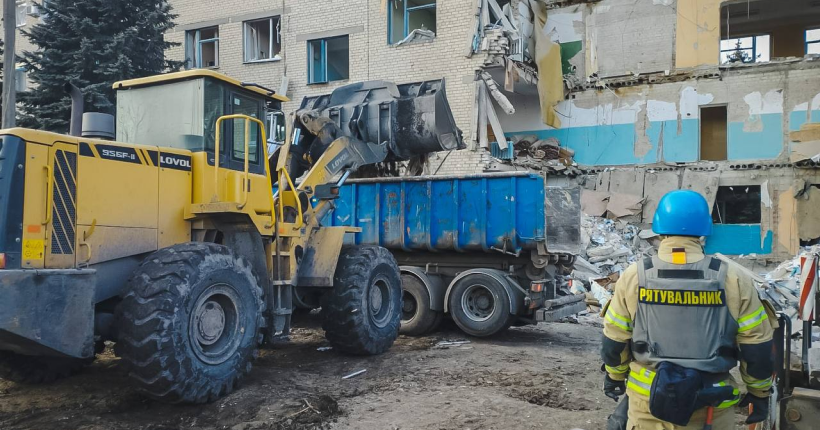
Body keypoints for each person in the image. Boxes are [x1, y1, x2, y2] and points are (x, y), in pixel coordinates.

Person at [601, 190, 776, 429]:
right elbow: (757, 347)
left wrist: (615, 376)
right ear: (705, 227)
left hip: (648, 407)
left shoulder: (634, 276)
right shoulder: (732, 279)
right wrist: (759, 392)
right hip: (710, 410)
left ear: (660, 226)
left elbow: (615, 339)